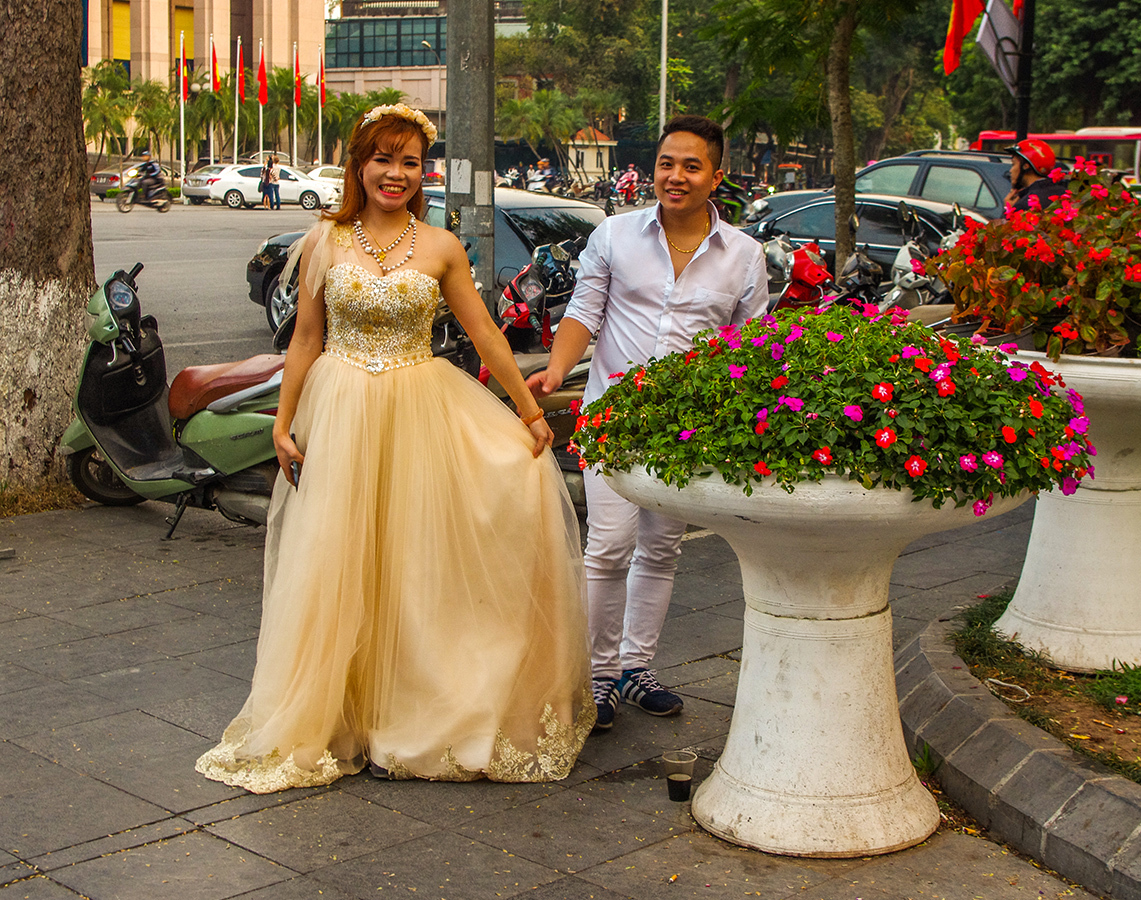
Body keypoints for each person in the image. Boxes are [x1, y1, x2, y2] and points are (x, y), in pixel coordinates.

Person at [195, 103, 593, 793]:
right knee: (338, 557)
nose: (396, 174)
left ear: (422, 171)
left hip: (421, 408)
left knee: (414, 562)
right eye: (384, 158)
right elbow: (306, 338)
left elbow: (488, 337)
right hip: (342, 409)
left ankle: (413, 708)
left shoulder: (440, 246)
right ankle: (337, 710)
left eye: (410, 162)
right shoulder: (324, 239)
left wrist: (529, 411)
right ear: (359, 163)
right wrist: (282, 422)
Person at [527, 115, 770, 731]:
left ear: (716, 175)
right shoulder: (614, 235)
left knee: (660, 549)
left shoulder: (743, 256)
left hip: (687, 428)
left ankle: (636, 668)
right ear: (653, 168)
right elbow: (585, 310)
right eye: (667, 163)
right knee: (608, 546)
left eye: (691, 166)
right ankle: (600, 674)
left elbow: (748, 349)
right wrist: (556, 373)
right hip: (614, 415)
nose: (676, 176)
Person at [1004, 138, 1067, 213]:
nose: (1010, 171)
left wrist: (1009, 210)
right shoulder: (1064, 192)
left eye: (1013, 164)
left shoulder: (1024, 204)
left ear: (1026, 166)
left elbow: (1005, 224)